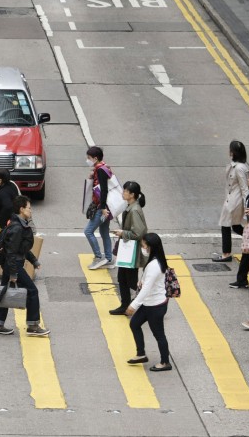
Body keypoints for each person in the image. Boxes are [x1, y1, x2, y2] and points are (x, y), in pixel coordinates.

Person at [0, 196, 48, 336]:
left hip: (11, 265)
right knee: (32, 291)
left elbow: (21, 248)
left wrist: (33, 260)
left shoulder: (18, 224)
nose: (31, 211)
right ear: (21, 209)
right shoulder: (17, 228)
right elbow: (11, 252)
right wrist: (14, 273)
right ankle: (33, 326)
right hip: (13, 265)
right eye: (29, 208)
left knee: (4, 291)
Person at [125, 233, 171, 372]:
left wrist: (133, 306)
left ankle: (165, 362)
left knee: (159, 334)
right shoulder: (156, 260)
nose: (142, 247)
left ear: (150, 247)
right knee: (134, 324)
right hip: (150, 303)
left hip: (154, 306)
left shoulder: (154, 266)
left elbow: (146, 289)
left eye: (144, 245)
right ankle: (141, 354)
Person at [109, 181, 148, 315]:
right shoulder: (131, 207)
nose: (123, 192)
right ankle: (125, 305)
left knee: (130, 281)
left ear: (132, 195)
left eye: (125, 191)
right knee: (122, 278)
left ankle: (144, 305)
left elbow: (139, 232)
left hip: (131, 251)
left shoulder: (135, 210)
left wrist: (122, 233)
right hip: (127, 250)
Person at [215, 140, 249, 263]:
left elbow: (245, 188)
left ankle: (226, 254)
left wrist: (247, 208)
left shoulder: (239, 168)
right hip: (232, 199)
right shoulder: (241, 165)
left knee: (225, 225)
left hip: (234, 201)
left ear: (233, 152)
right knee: (235, 226)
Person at [83, 146, 115, 270]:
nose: (87, 160)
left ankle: (98, 257)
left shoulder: (100, 170)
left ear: (95, 158)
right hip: (105, 206)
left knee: (88, 231)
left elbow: (104, 190)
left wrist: (102, 208)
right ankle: (108, 257)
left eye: (89, 158)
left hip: (101, 207)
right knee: (104, 232)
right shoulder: (103, 167)